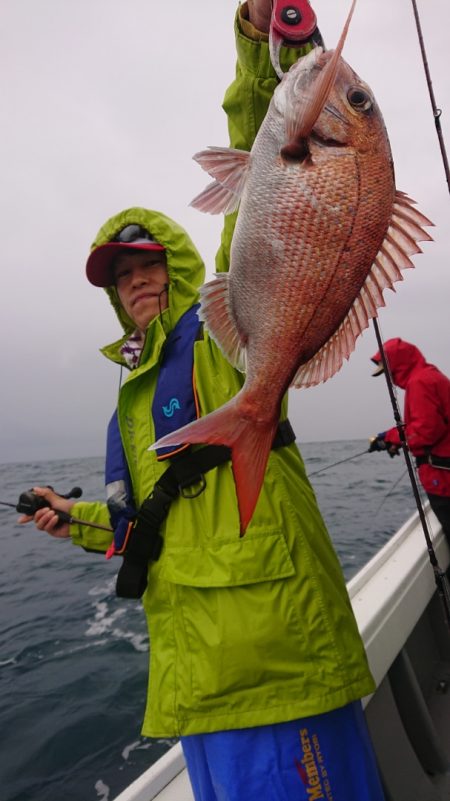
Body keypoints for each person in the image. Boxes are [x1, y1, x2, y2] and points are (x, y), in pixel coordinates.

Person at [20, 3, 386, 799]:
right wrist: (67, 516)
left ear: (178, 267)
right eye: (121, 276)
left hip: (273, 659)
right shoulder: (139, 393)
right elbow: (149, 519)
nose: (137, 281)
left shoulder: (221, 339)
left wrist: (268, 38)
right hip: (195, 682)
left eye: (147, 264)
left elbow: (270, 168)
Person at [370, 337, 450, 540]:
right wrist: (388, 437)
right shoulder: (429, 376)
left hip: (443, 479)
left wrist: (390, 440)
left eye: (388, 372)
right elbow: (426, 422)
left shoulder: (419, 383)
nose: (389, 379)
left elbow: (425, 432)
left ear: (397, 365)